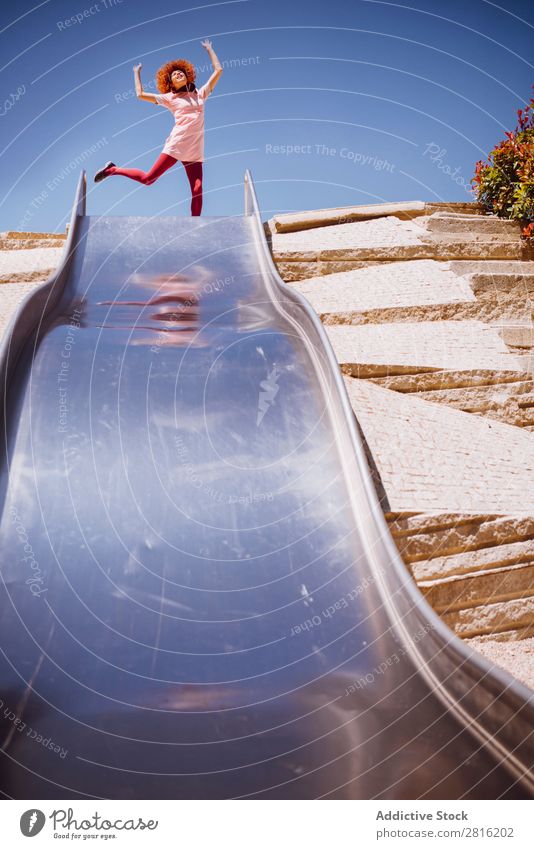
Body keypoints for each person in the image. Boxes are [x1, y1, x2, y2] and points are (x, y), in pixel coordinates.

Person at [93, 39, 222, 216]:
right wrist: (136, 73)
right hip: (176, 145)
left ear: (187, 75)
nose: (178, 74)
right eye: (174, 75)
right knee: (148, 179)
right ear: (170, 84)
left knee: (197, 189)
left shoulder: (201, 94)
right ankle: (112, 170)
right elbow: (140, 95)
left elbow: (218, 70)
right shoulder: (169, 98)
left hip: (195, 150)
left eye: (180, 72)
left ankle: (194, 226)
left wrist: (209, 49)